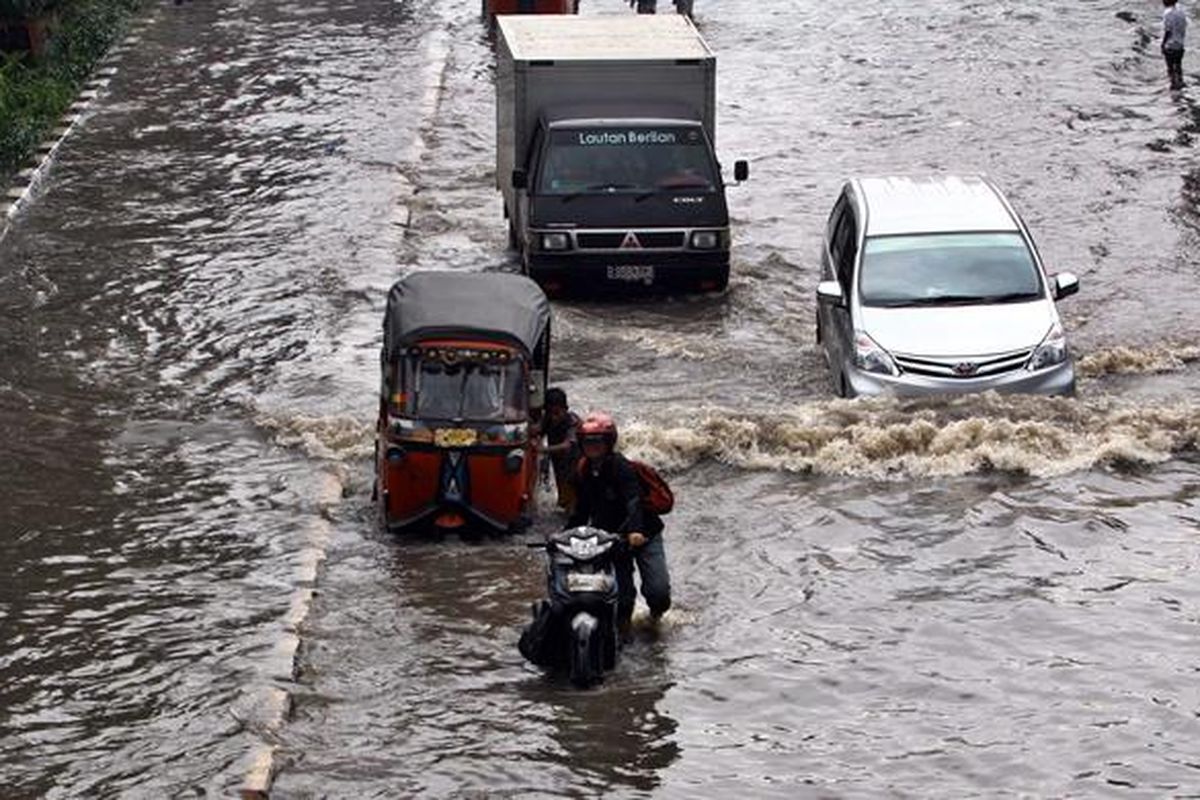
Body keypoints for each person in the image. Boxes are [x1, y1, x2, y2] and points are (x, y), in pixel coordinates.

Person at [566, 412, 671, 634]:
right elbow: (581, 511)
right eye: (588, 441)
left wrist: (635, 531)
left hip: (644, 533)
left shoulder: (621, 467)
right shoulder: (582, 471)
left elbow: (633, 499)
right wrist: (563, 536)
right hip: (611, 540)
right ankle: (623, 637)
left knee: (658, 593)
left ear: (609, 442)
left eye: (598, 441)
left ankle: (655, 620)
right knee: (621, 598)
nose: (592, 446)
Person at [540, 387, 581, 512]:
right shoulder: (548, 419)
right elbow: (537, 430)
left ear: (566, 409)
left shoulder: (572, 422)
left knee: (574, 501)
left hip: (575, 464)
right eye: (550, 413)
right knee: (563, 501)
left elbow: (567, 445)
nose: (554, 418)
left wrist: (543, 449)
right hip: (558, 463)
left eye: (557, 413)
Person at [1163, 0, 1187, 90]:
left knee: (1170, 67)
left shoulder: (1167, 13)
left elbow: (1168, 30)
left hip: (1170, 44)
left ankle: (1173, 85)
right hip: (1180, 44)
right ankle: (1180, 83)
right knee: (1178, 66)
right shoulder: (1181, 12)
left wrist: (1163, 43)